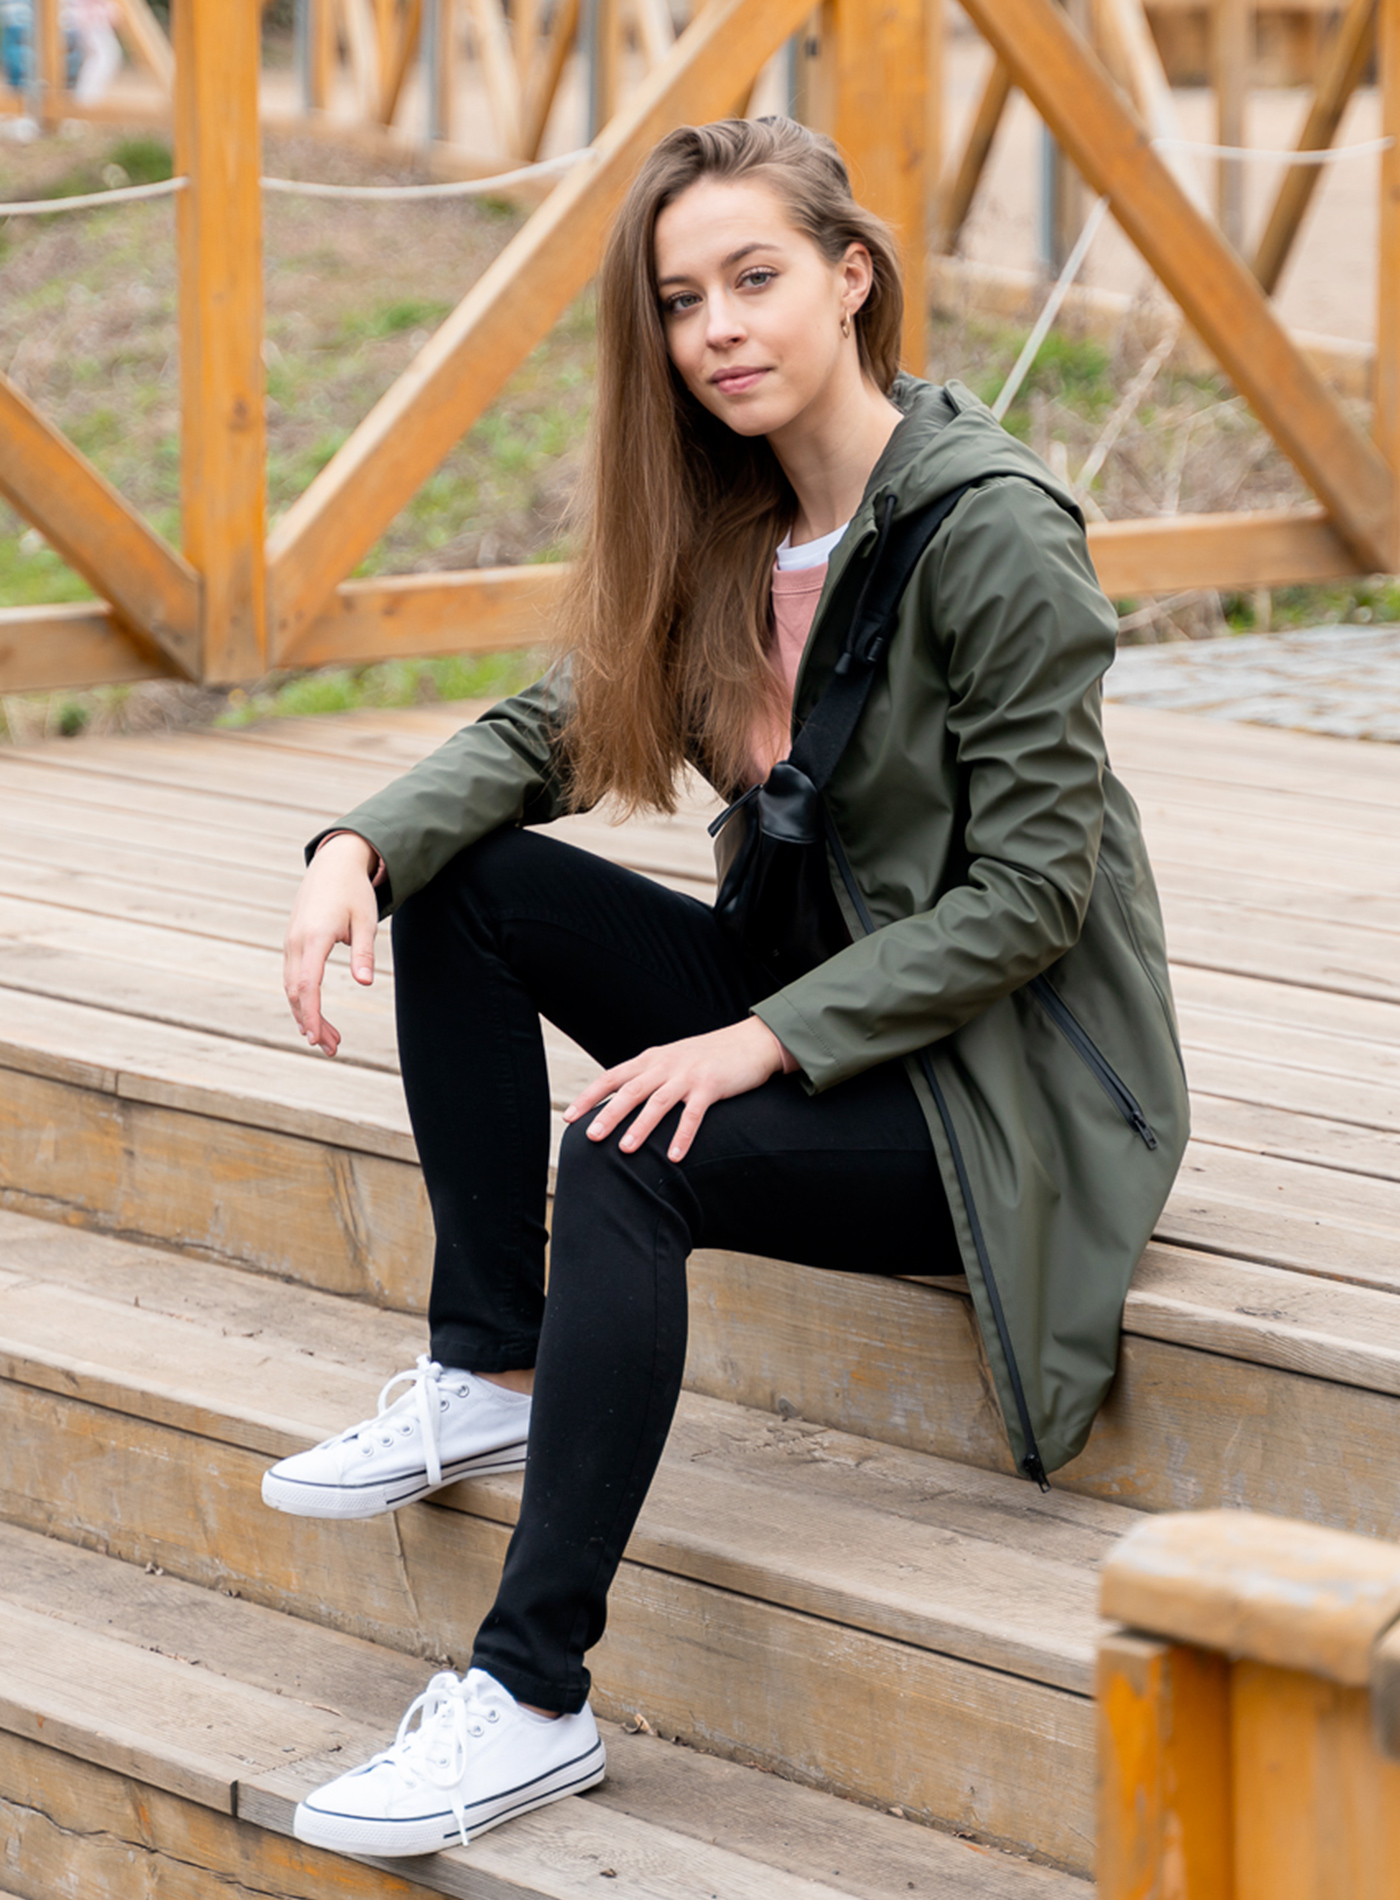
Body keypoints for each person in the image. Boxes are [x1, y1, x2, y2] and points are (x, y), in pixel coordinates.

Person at [268, 115, 1190, 1859]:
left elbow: (1030, 899)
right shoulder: (730, 524)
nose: (718, 329)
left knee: (628, 1150)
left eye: (755, 278)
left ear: (852, 280)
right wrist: (358, 849)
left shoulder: (992, 534)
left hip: (1005, 1087)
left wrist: (757, 1041)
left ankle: (530, 1697)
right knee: (465, 880)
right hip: (814, 1001)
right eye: (683, 300)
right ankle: (489, 1366)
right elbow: (549, 729)